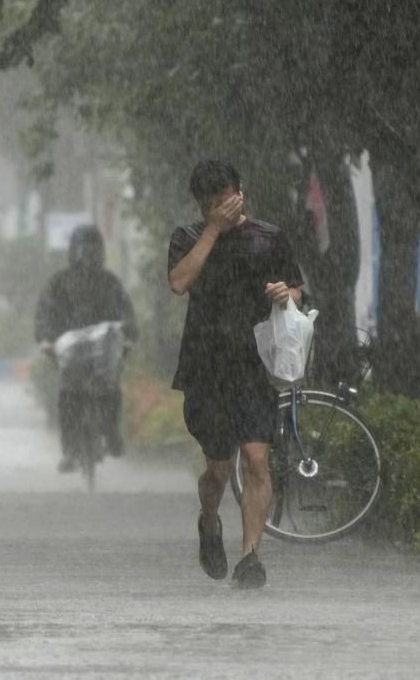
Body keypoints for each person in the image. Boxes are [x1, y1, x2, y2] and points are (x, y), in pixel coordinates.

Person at [167, 160, 304, 588]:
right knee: (219, 470)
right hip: (207, 368)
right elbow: (178, 282)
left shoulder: (269, 237)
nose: (221, 208)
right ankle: (209, 521)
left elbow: (297, 288)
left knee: (257, 459)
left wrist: (287, 293)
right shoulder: (187, 238)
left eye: (226, 198)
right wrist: (212, 230)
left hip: (255, 364)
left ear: (240, 192)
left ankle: (251, 557)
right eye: (211, 204)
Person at [35, 225, 138, 473]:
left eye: (91, 248)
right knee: (67, 396)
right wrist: (46, 339)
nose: (87, 255)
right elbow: (46, 313)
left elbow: (125, 313)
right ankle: (70, 450)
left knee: (111, 390)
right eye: (83, 248)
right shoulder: (59, 283)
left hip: (103, 353)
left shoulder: (109, 282)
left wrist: (128, 334)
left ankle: (111, 435)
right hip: (71, 355)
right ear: (73, 251)